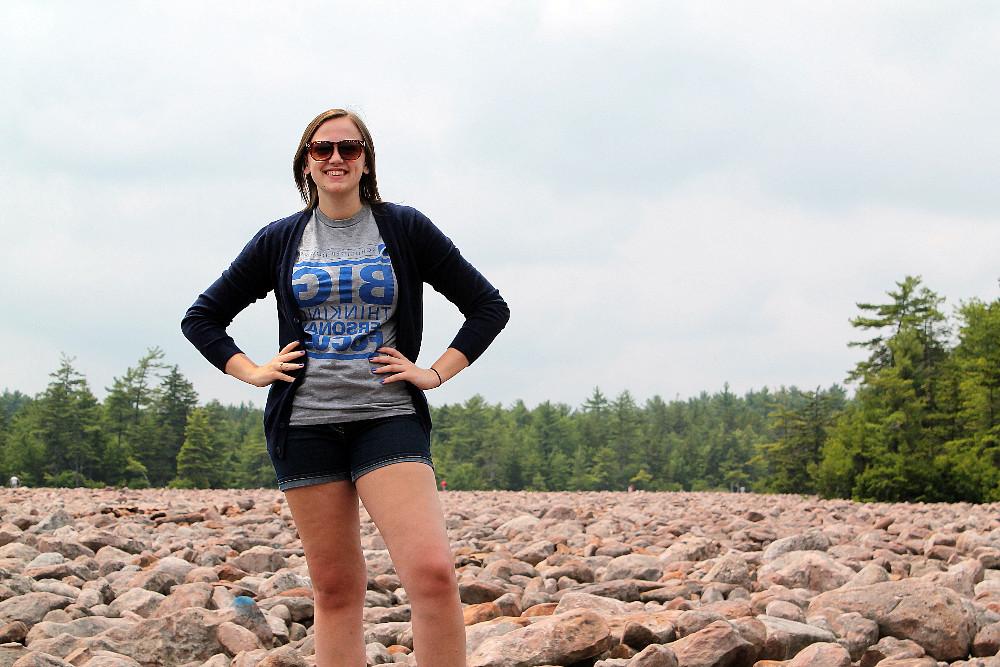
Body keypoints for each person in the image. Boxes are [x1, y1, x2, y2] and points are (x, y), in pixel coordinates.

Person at [182, 108, 509, 665]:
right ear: (305, 163)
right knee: (335, 591)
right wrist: (254, 371)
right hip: (305, 425)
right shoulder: (281, 239)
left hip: (386, 418)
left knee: (431, 575)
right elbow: (203, 318)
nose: (336, 158)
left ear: (366, 160)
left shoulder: (403, 228)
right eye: (322, 149)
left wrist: (432, 373)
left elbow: (487, 307)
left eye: (349, 149)